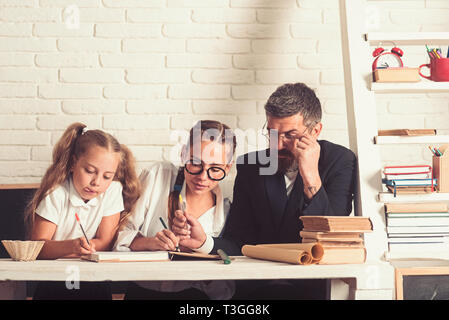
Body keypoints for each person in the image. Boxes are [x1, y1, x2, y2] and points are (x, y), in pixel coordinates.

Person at [172, 83, 357, 300]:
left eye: (290, 135)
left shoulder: (340, 161)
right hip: (256, 291)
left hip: (314, 289)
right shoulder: (251, 166)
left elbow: (332, 238)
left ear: (315, 131)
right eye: (272, 133)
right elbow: (239, 240)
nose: (277, 145)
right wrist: (205, 242)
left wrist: (310, 175)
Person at [114, 120, 237, 300]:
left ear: (227, 167)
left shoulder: (226, 211)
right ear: (183, 154)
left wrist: (200, 253)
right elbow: (118, 234)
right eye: (195, 163)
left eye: (215, 168)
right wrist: (151, 243)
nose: (203, 177)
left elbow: (225, 291)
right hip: (141, 293)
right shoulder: (157, 176)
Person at [26, 122, 140, 300]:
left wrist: (76, 249)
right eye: (89, 171)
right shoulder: (56, 193)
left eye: (106, 176)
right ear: (73, 163)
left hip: (95, 281)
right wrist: (72, 246)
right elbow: (37, 247)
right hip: (53, 281)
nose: (97, 182)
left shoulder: (112, 191)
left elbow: (106, 242)